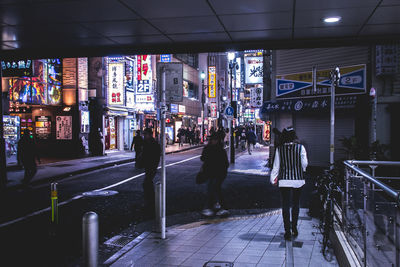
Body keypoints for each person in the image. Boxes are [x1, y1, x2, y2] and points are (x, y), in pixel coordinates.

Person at [270, 127, 308, 240]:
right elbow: (304, 164)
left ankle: (287, 231)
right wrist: (300, 170)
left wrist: (273, 179)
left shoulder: (279, 149)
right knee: (296, 204)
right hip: (298, 179)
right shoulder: (301, 148)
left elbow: (276, 166)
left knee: (285, 205)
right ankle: (294, 227)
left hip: (284, 180)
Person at [200, 133, 229, 217]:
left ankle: (217, 207)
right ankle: (214, 207)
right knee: (212, 189)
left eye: (215, 139)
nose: (213, 141)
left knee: (214, 189)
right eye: (212, 139)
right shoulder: (217, 149)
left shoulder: (217, 149)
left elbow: (225, 163)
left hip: (217, 173)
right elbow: (203, 158)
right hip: (211, 173)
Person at [140, 128, 161, 217]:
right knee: (148, 182)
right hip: (147, 165)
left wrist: (154, 164)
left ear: (149, 134)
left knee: (147, 182)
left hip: (152, 165)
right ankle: (150, 200)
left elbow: (157, 154)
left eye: (145, 134)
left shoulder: (154, 143)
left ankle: (150, 201)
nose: (144, 136)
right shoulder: (145, 143)